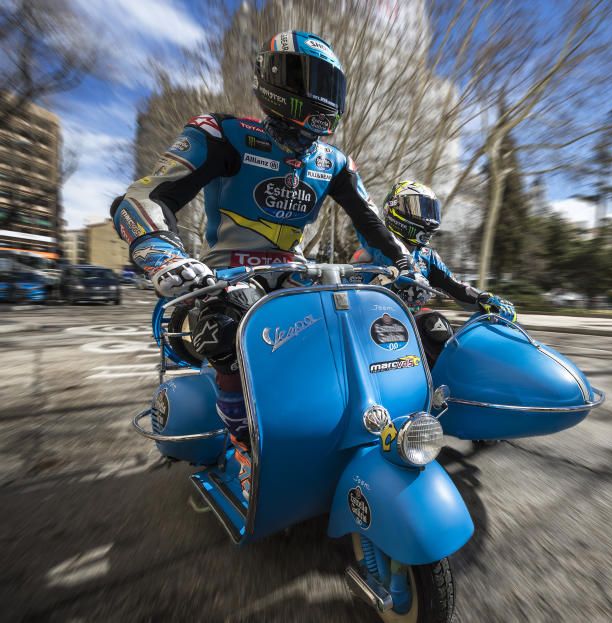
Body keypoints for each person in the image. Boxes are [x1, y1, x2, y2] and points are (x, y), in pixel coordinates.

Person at [109, 31, 416, 498]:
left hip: (296, 276)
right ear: (274, 81)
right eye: (311, 80)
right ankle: (243, 445)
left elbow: (374, 225)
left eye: (331, 86)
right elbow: (145, 196)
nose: (323, 97)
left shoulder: (334, 162)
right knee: (224, 325)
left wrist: (406, 263)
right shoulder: (220, 133)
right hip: (220, 277)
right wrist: (161, 254)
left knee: (359, 322)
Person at [350, 180, 516, 367]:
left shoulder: (427, 256)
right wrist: (391, 283)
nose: (427, 217)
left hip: (409, 325)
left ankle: (447, 386)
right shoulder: (369, 250)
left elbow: (454, 286)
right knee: (430, 322)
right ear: (394, 210)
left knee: (438, 327)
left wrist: (484, 298)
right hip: (370, 329)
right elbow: (350, 297)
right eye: (418, 207)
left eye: (430, 209)